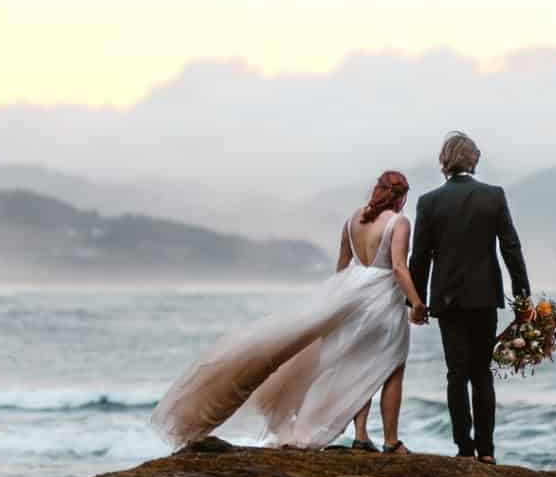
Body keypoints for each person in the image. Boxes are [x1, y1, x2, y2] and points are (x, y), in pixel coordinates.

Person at [151, 170, 427, 451]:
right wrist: (416, 303)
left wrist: (339, 303)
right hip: (383, 302)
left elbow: (342, 267)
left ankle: (361, 435)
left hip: (351, 298)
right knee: (392, 368)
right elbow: (398, 267)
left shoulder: (352, 220)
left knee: (355, 367)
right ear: (402, 197)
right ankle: (391, 442)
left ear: (377, 189)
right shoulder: (399, 223)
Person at [407, 131, 529, 463]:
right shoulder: (493, 196)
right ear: (474, 160)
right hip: (485, 297)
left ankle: (464, 449)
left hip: (446, 300)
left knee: (456, 374)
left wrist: (415, 301)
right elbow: (511, 249)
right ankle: (487, 452)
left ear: (444, 162)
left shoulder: (429, 202)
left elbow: (420, 257)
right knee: (481, 373)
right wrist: (522, 299)